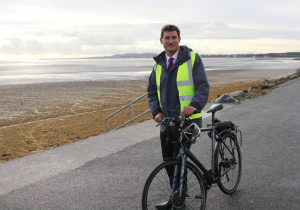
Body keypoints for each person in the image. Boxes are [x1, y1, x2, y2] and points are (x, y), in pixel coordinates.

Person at [147, 24, 210, 209]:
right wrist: (156, 112)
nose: (171, 41)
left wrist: (194, 105)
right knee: (168, 162)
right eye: (167, 38)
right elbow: (151, 91)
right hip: (167, 122)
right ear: (161, 41)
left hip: (188, 121)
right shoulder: (158, 63)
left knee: (179, 159)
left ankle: (176, 201)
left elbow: (203, 87)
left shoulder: (192, 58)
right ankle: (178, 194)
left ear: (179, 40)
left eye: (174, 37)